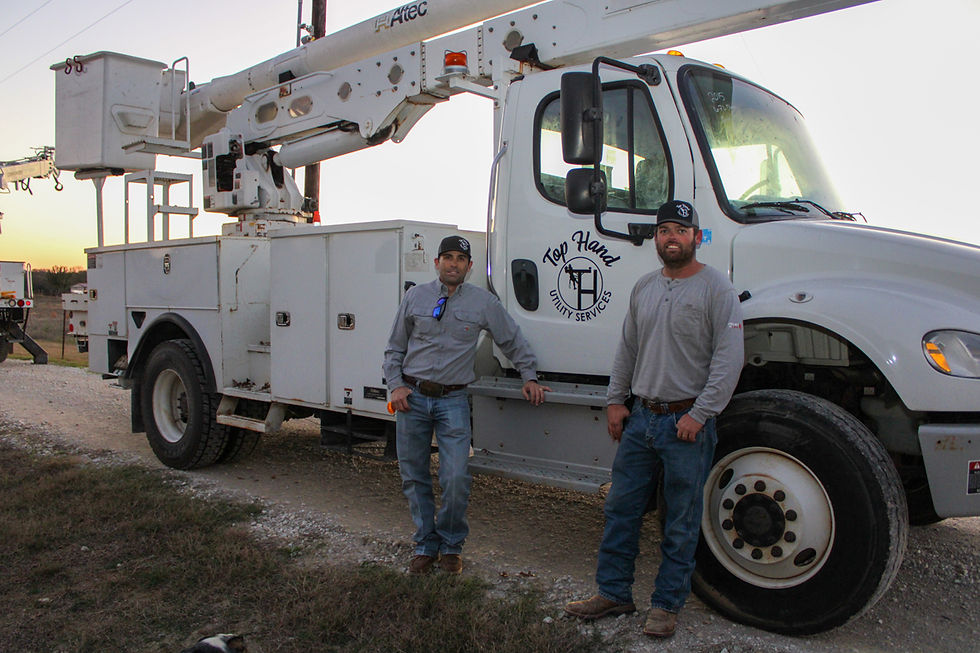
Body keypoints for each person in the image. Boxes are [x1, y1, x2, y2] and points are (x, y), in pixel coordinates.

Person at [564, 200, 744, 637]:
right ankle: (613, 593)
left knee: (680, 519)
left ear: (697, 238)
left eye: (681, 230)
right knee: (620, 509)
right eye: (664, 230)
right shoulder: (644, 287)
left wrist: (700, 415)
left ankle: (665, 605)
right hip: (642, 419)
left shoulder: (717, 290)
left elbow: (729, 359)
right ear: (657, 239)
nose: (671, 237)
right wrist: (615, 400)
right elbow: (628, 347)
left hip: (686, 424)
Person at [383, 235, 550, 575]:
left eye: (461, 258)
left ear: (470, 266)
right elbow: (394, 349)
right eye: (447, 257)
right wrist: (396, 386)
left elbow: (512, 339)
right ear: (436, 262)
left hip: (454, 400)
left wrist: (528, 376)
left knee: (456, 476)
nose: (454, 263)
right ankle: (425, 545)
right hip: (411, 399)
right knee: (413, 475)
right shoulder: (415, 297)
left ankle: (451, 546)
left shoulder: (483, 303)